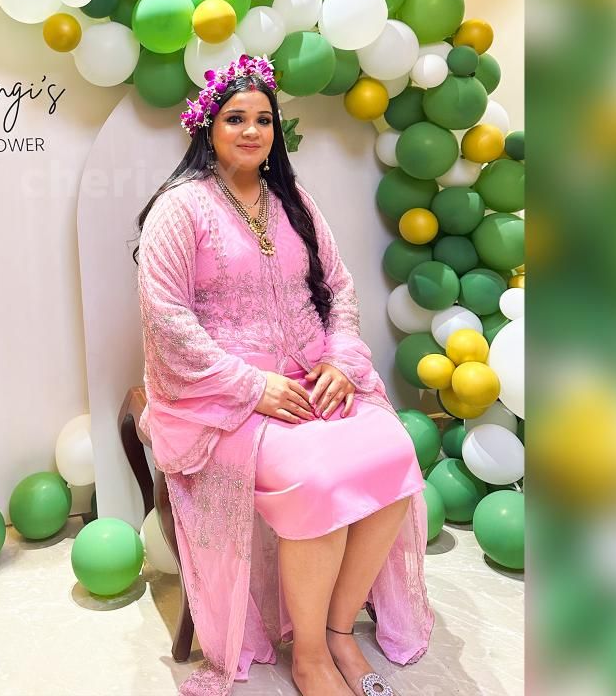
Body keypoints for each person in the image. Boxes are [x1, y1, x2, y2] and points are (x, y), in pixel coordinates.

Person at [133, 54, 433, 696]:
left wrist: (343, 361)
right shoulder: (179, 209)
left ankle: (337, 629)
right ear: (206, 127)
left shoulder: (293, 201)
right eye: (235, 118)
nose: (251, 130)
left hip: (309, 378)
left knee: (396, 453)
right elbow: (165, 319)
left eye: (263, 119)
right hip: (221, 398)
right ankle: (308, 658)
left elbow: (340, 287)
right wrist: (249, 385)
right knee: (318, 479)